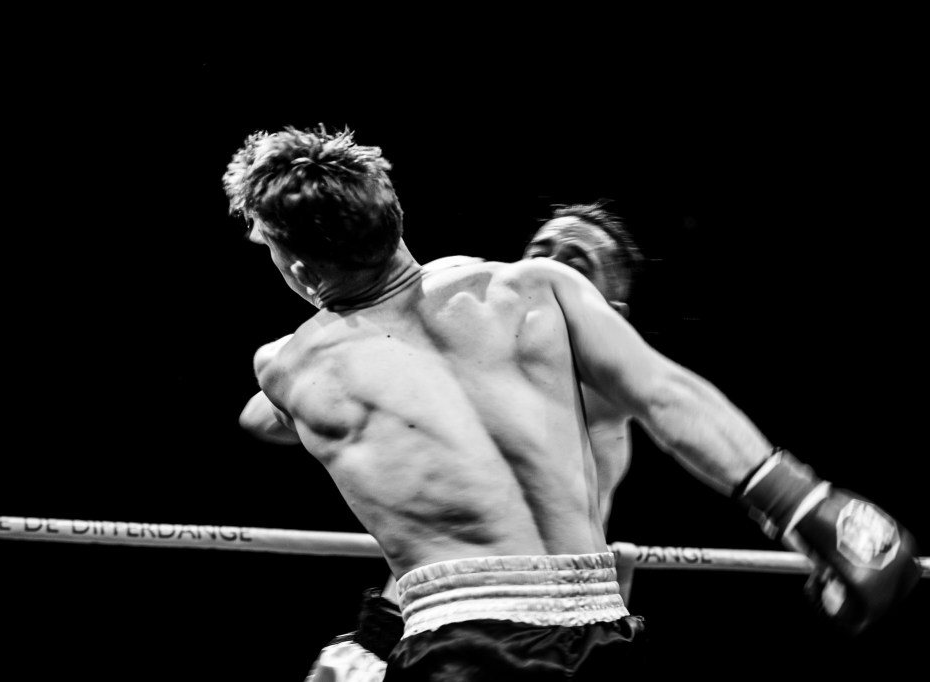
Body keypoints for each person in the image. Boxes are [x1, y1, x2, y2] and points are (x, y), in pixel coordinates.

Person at [224, 126, 920, 680]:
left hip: (463, 644)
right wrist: (808, 505)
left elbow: (264, 420)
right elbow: (668, 394)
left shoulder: (294, 366)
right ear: (394, 216)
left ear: (301, 267)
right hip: (601, 632)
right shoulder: (536, 291)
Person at [301, 202, 646, 681]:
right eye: (538, 254)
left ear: (611, 313)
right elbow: (263, 413)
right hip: (405, 625)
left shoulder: (602, 389)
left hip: (528, 638)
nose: (545, 268)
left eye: (574, 264)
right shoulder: (476, 366)